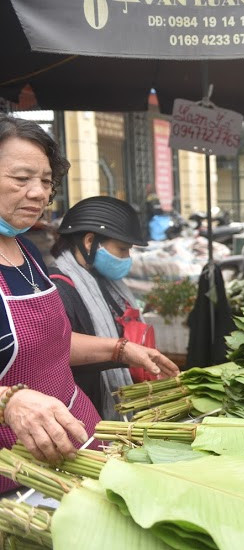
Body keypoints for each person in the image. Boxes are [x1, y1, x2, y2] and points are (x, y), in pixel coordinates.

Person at [0, 114, 179, 492]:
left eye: (46, 181)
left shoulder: (28, 251)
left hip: (79, 444)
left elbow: (50, 346)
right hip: (18, 474)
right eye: (21, 179)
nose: (38, 193)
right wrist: (9, 402)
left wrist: (121, 349)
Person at [48, 196, 154, 419]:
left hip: (119, 403)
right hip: (85, 412)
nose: (127, 258)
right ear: (89, 241)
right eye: (122, 249)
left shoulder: (106, 282)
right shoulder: (58, 289)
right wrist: (120, 351)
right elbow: (56, 352)